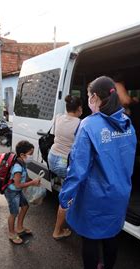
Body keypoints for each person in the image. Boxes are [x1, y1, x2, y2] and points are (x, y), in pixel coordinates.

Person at [59, 76, 136, 269]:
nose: (88, 100)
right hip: (120, 192)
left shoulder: (89, 125)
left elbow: (78, 168)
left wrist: (65, 197)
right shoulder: (127, 123)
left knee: (91, 238)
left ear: (95, 97)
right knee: (112, 234)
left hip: (95, 194)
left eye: (89, 95)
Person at [48, 95, 83, 240]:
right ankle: (57, 231)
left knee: (65, 187)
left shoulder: (58, 117)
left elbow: (54, 134)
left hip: (52, 157)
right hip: (65, 161)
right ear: (79, 108)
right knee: (67, 195)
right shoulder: (81, 124)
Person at [4, 141, 41, 245]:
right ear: (22, 155)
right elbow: (17, 185)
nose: (31, 156)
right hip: (12, 192)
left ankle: (19, 228)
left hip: (17, 191)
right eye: (30, 154)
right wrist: (32, 183)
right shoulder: (18, 167)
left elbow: (25, 178)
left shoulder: (22, 163)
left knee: (25, 206)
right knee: (13, 213)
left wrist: (32, 181)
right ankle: (11, 233)